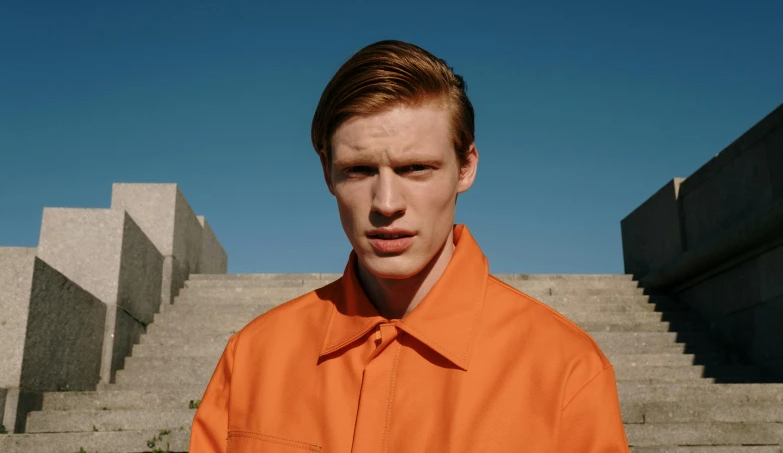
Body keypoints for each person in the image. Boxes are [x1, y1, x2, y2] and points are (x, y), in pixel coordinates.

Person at [189, 40, 630, 452]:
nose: (386, 204)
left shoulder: (567, 370)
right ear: (328, 174)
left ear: (465, 168)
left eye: (416, 168)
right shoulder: (251, 358)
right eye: (359, 170)